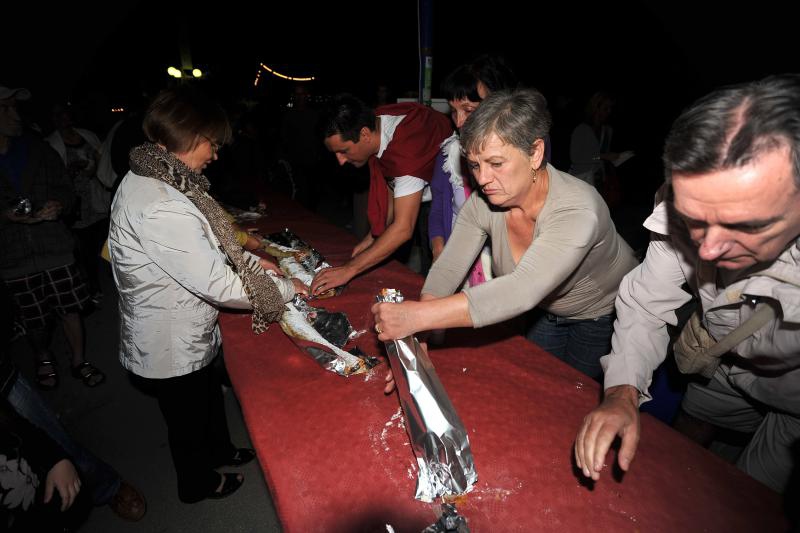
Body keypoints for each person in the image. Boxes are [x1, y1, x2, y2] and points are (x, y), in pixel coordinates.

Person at [574, 74, 800, 495]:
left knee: (751, 498)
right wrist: (622, 391)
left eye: (743, 225)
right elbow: (646, 302)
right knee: (684, 465)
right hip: (722, 361)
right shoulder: (685, 198)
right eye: (695, 219)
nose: (708, 251)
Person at [108, 86, 307, 503]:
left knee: (205, 399)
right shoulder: (162, 201)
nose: (215, 154)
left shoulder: (158, 174)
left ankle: (219, 450)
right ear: (190, 136)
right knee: (186, 417)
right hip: (168, 337)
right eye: (212, 143)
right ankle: (196, 484)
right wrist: (287, 288)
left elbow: (202, 249)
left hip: (184, 323)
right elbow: (216, 283)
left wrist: (253, 264)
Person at [372, 89, 638, 382]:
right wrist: (419, 331)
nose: (482, 179)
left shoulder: (578, 209)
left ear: (535, 153)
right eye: (474, 164)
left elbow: (520, 289)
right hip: (543, 309)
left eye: (496, 163)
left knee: (575, 394)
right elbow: (448, 267)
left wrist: (417, 317)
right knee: (537, 387)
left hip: (601, 314)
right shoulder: (486, 201)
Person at [0, 84, 106, 390]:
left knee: (70, 307)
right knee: (35, 319)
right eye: (5, 109)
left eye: (15, 107)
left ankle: (78, 361)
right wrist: (4, 214)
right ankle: (43, 356)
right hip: (13, 257)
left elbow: (66, 190)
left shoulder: (38, 148)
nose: (15, 115)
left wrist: (60, 204)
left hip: (54, 245)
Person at [310, 94, 452, 296]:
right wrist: (371, 238)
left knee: (434, 280)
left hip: (445, 206)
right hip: (420, 195)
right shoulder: (379, 120)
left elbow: (403, 228)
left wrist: (350, 269)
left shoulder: (406, 150)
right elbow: (392, 187)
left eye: (344, 151)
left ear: (365, 135)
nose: (340, 161)